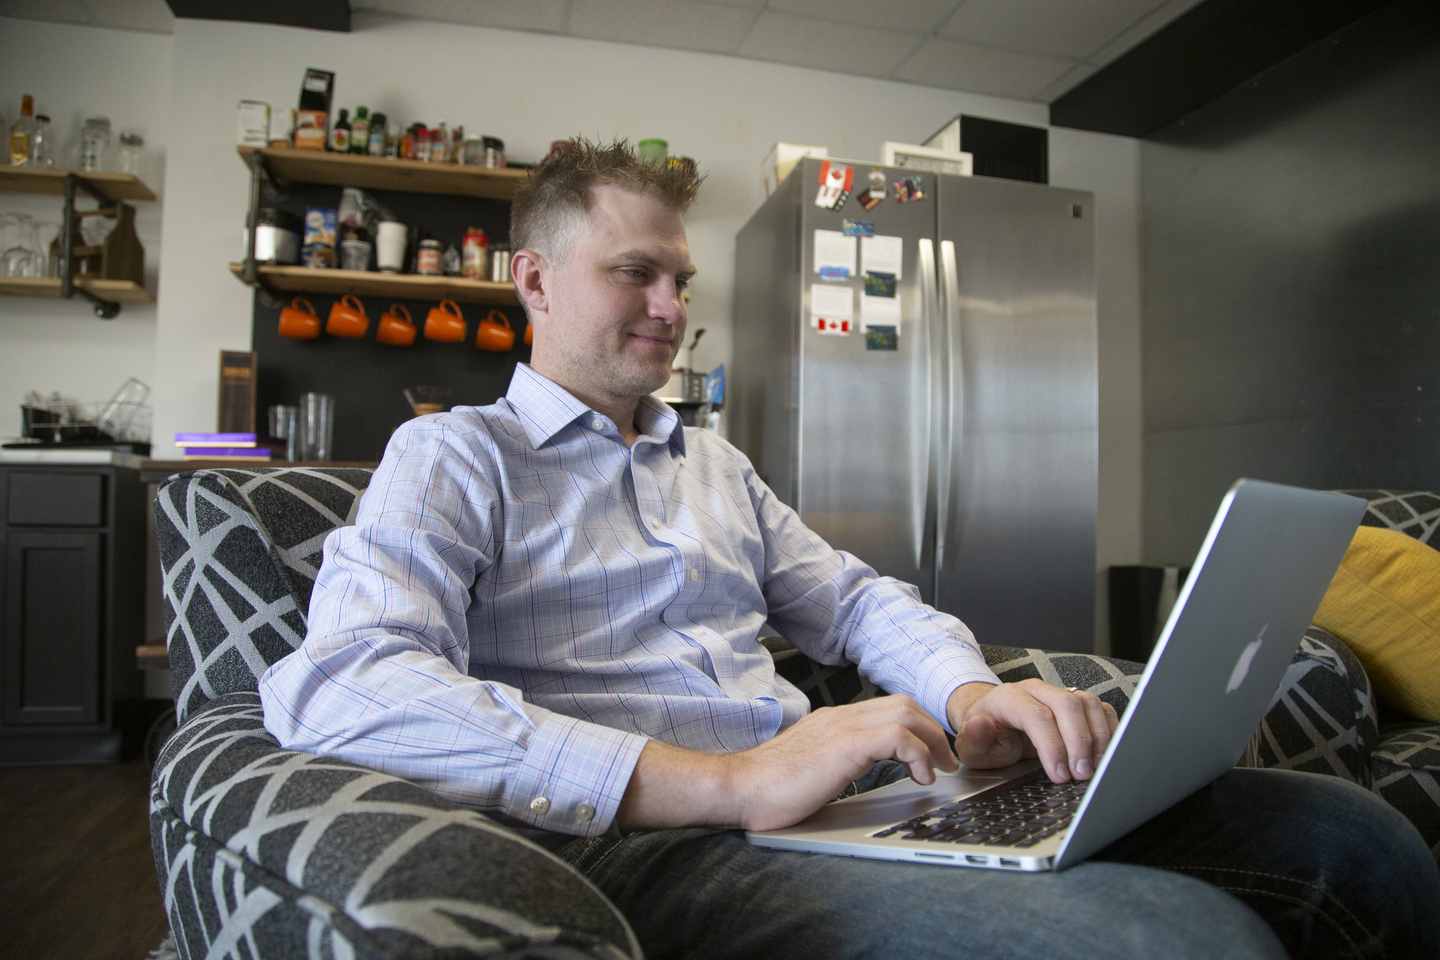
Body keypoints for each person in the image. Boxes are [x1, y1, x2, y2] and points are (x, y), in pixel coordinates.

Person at [261, 138, 1439, 960]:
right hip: (663, 846)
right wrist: (726, 782)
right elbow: (346, 684)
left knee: (1355, 839)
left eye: (680, 278)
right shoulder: (456, 458)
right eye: (636, 274)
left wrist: (971, 689)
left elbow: (859, 602)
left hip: (861, 804)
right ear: (532, 280)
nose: (671, 307)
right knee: (1182, 943)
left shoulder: (713, 465)